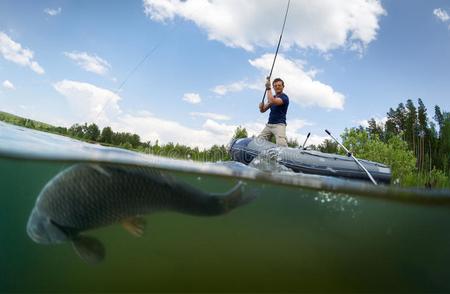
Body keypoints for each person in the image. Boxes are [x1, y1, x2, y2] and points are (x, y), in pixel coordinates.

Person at [258, 77, 289, 147]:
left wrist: (268, 88)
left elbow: (272, 101)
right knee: (259, 142)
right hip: (269, 125)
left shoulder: (284, 97)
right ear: (273, 87)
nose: (277, 87)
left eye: (279, 85)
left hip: (279, 125)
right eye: (275, 86)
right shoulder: (272, 97)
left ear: (283, 87)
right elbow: (262, 110)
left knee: (281, 144)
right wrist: (261, 107)